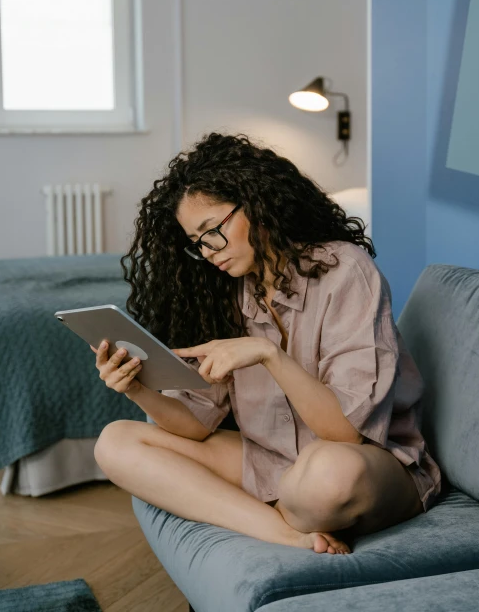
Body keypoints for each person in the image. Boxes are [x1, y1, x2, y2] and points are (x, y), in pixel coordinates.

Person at [92, 132, 442, 555]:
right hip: (271, 462)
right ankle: (284, 532)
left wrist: (268, 354)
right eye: (197, 244)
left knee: (328, 474)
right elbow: (196, 423)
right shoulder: (225, 293)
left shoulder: (344, 270)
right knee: (116, 441)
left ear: (256, 204)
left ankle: (284, 510)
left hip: (366, 463)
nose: (209, 252)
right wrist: (137, 388)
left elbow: (346, 434)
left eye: (212, 231)